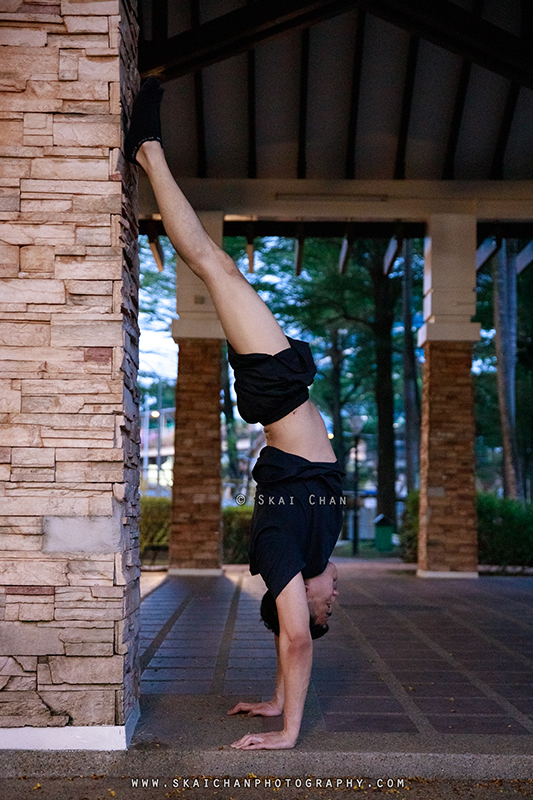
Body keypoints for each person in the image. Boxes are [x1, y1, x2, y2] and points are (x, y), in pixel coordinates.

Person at [125, 79, 343, 750]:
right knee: (214, 269)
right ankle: (148, 152)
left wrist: (286, 731)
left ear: (299, 601)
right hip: (282, 396)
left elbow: (298, 641)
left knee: (213, 264)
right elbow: (291, 641)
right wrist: (275, 695)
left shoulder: (282, 551)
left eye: (327, 607)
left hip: (279, 392)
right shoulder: (309, 554)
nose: (334, 597)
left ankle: (148, 152)